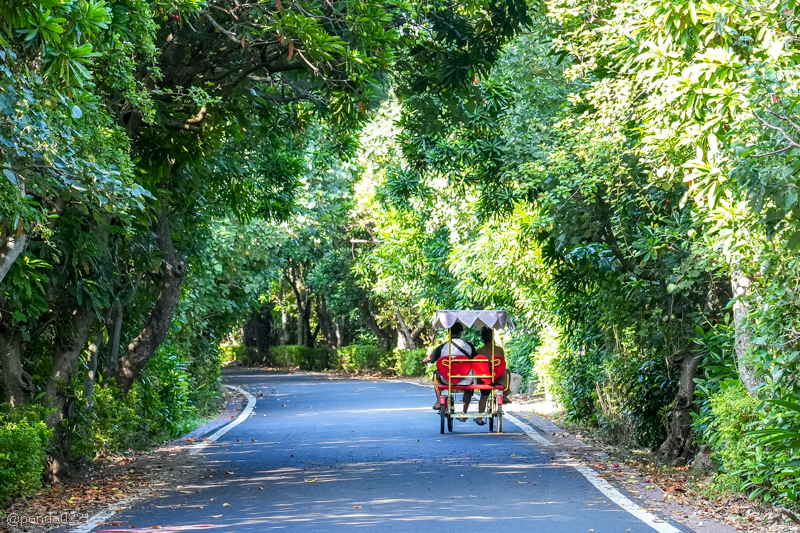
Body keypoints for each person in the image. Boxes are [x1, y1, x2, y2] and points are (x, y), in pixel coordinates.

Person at [462, 327, 511, 425]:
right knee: (507, 371)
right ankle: (505, 394)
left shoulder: (479, 351)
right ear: (492, 337)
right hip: (497, 377)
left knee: (484, 396)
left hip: (484, 378)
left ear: (482, 338)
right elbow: (502, 363)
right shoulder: (499, 350)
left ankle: (480, 417)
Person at [422, 322, 476, 410]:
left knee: (436, 373)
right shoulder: (469, 346)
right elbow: (476, 360)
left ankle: (439, 401)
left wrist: (425, 360)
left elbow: (431, 358)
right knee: (470, 382)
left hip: (447, 379)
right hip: (465, 380)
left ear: (449, 333)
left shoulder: (443, 347)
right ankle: (464, 412)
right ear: (460, 333)